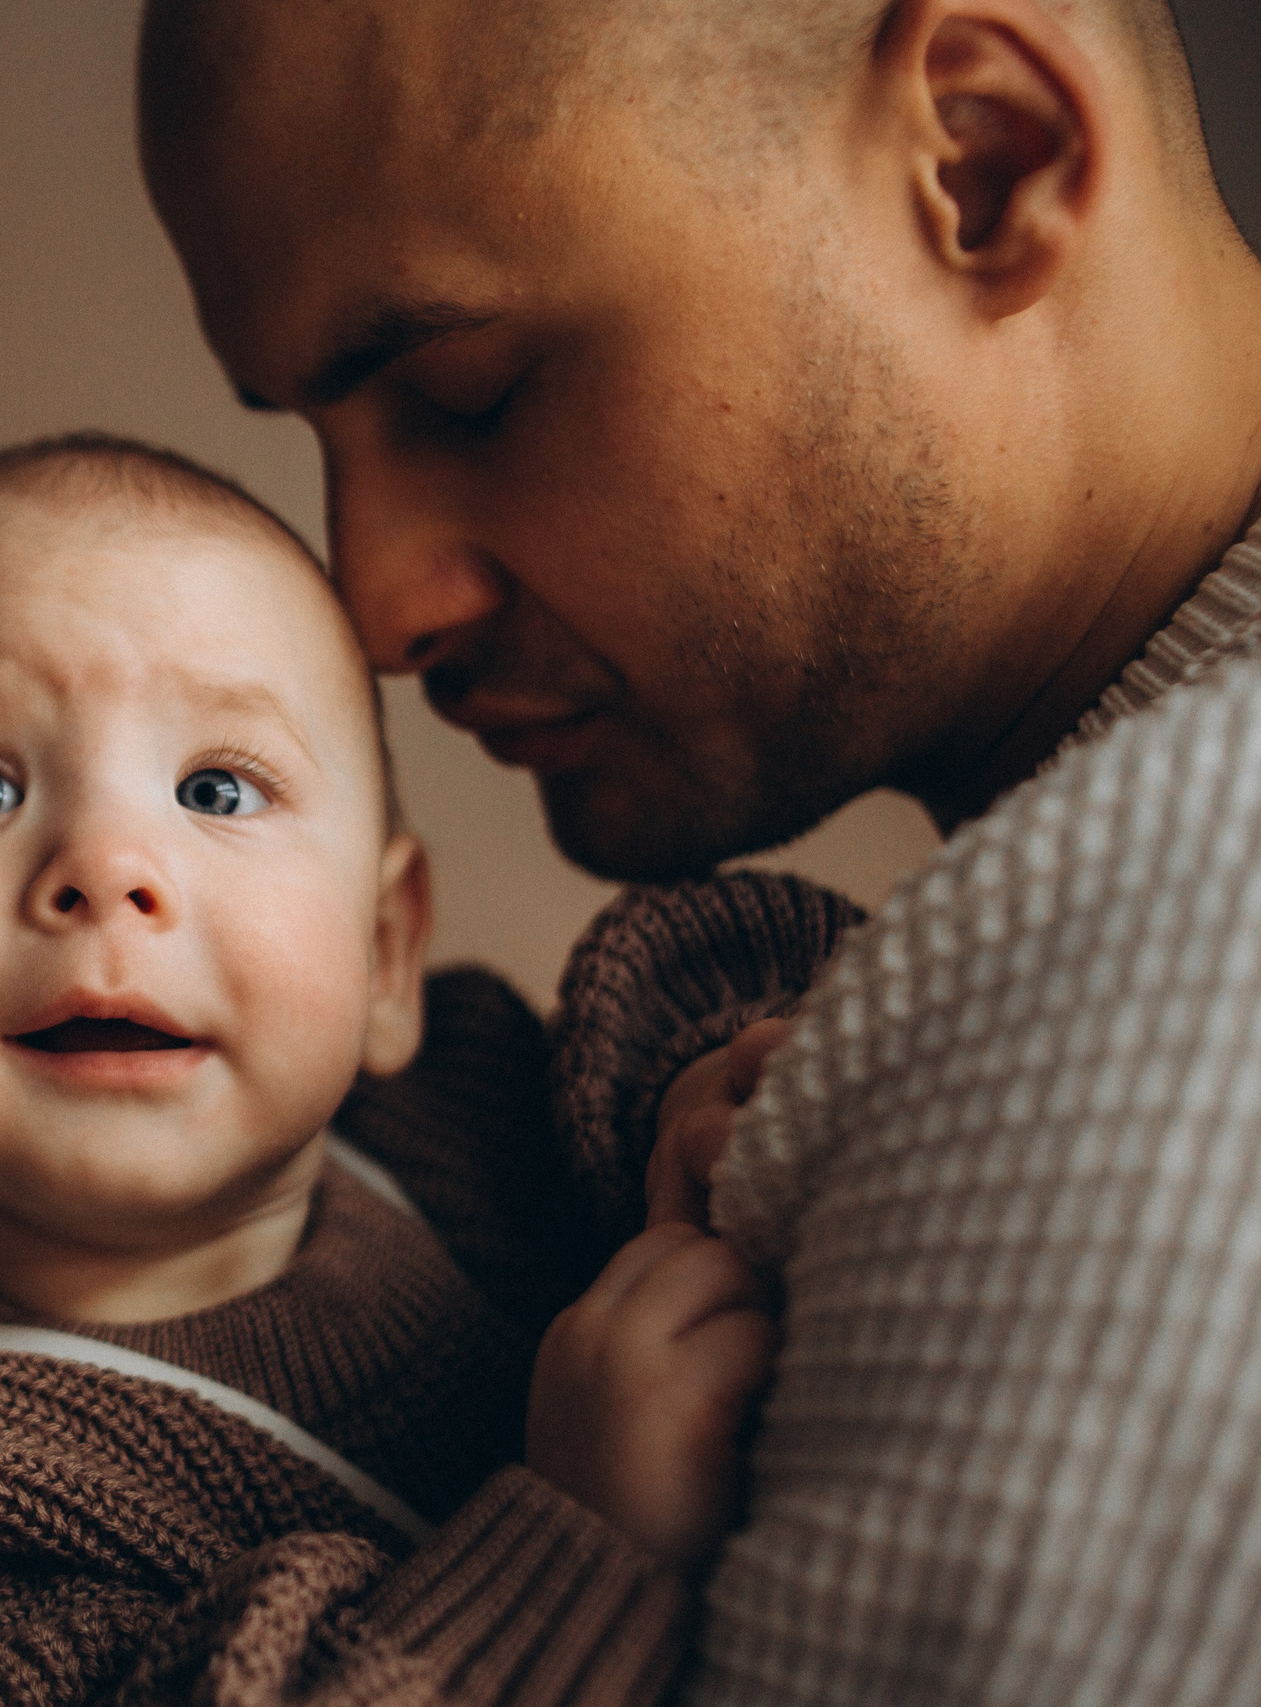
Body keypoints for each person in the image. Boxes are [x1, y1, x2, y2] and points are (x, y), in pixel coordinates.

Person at [137, 0, 1261, 1700]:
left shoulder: (1166, 994)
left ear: (985, 160)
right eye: (312, 436)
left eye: (470, 391)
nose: (372, 605)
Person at [0, 433, 867, 1705]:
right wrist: (574, 1549)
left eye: (215, 788)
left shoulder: (461, 1114)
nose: (105, 865)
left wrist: (713, 1078)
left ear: (383, 954)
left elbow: (705, 984)